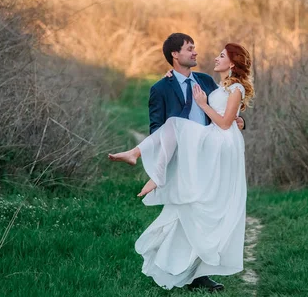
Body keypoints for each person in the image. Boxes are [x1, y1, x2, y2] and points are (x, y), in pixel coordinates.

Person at [108, 38, 254, 292]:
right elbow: (158, 128)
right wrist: (162, 158)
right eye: (189, 48)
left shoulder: (207, 82)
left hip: (210, 154)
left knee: (202, 211)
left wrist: (239, 122)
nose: (197, 52)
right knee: (184, 211)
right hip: (184, 155)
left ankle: (199, 274)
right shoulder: (160, 88)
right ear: (175, 54)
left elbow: (228, 112)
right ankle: (174, 265)